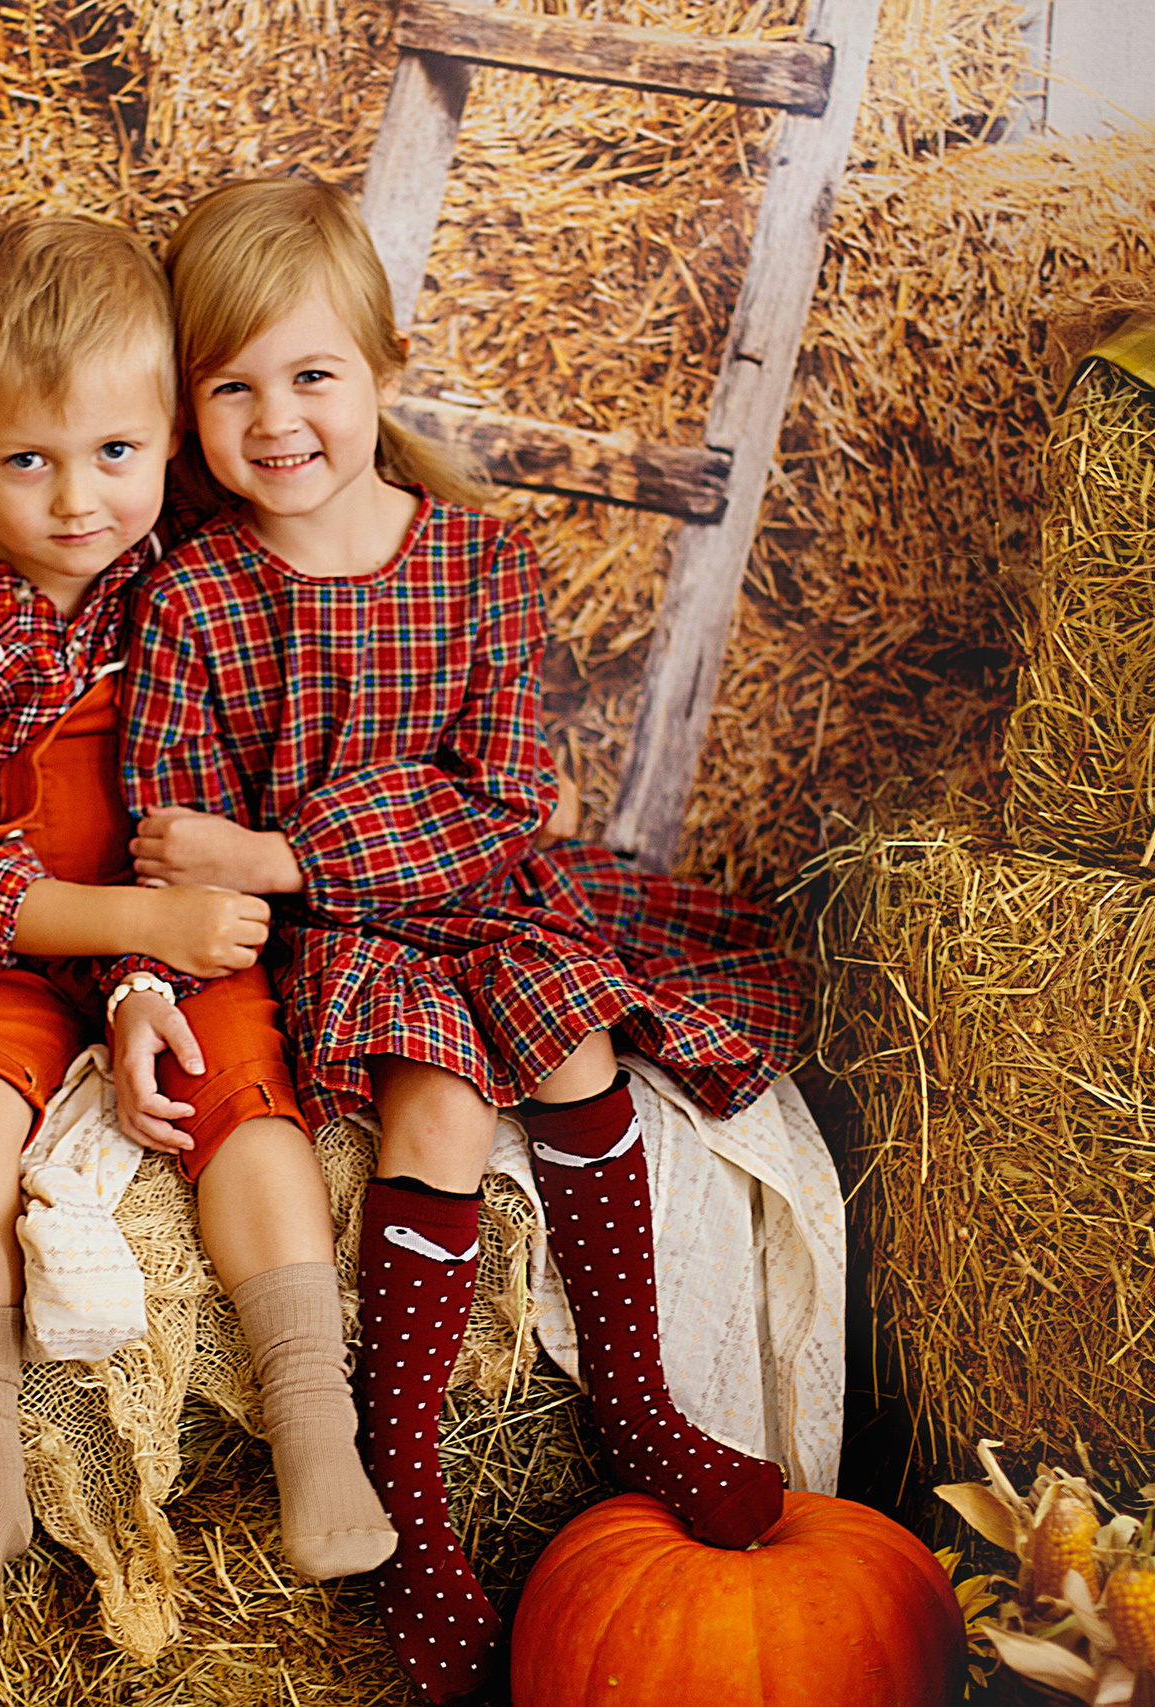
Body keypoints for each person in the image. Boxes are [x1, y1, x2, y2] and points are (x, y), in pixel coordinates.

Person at [123, 178, 801, 1702]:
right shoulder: (195, 598)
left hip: (482, 896)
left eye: (312, 375)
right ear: (186, 412)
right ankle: (409, 1485)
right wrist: (179, 948)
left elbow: (503, 810)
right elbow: (172, 846)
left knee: (567, 1025)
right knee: (435, 1089)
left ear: (383, 368)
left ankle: (637, 1399)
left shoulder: (482, 562)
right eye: (229, 388)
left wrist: (286, 848)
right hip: (344, 950)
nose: (276, 419)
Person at [0, 212, 395, 1643]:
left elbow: (208, 794)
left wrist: (154, 965)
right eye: (26, 460)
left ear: (166, 431)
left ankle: (310, 1420)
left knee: (252, 1106)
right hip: (5, 954)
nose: (79, 499)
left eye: (113, 452)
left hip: (181, 939)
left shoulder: (196, 584)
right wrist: (121, 934)